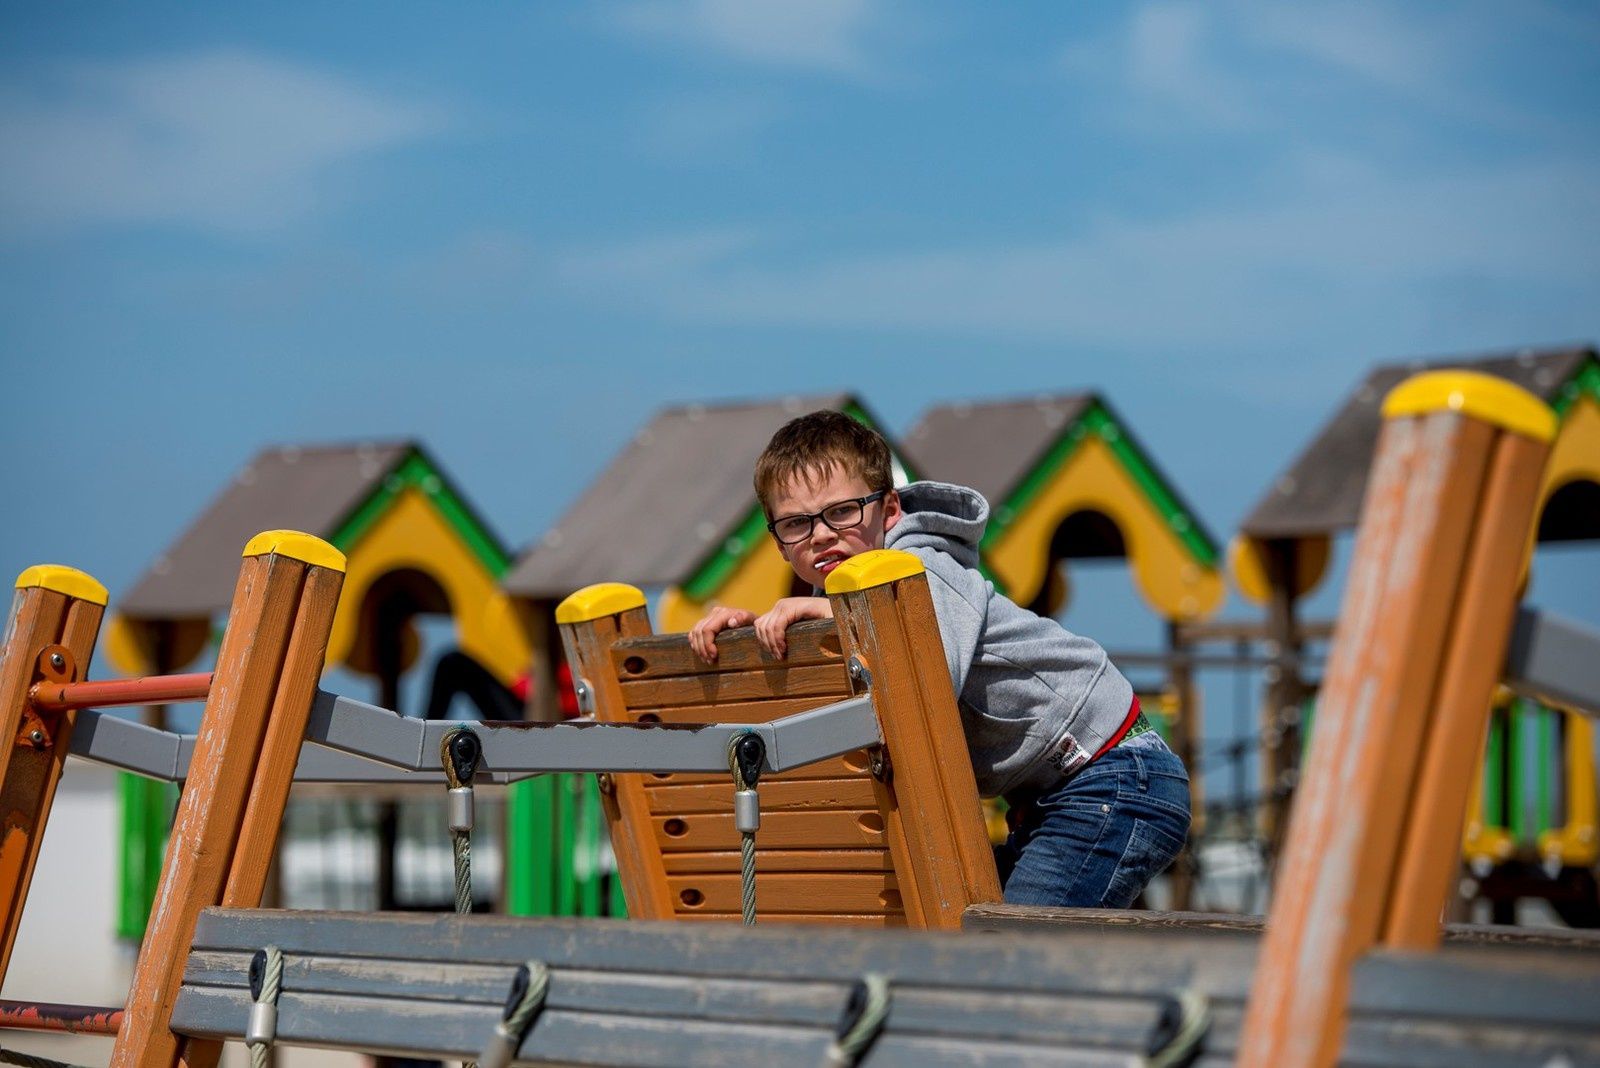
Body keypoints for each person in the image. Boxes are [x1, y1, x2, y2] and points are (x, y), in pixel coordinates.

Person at [687, 411, 1190, 908]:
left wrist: (829, 613)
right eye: (796, 523)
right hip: (1053, 795)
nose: (820, 534)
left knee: (1008, 946)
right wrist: (752, 637)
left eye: (841, 512)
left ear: (889, 510)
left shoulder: (923, 568)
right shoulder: (841, 603)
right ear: (778, 542)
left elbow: (924, 677)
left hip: (1112, 773)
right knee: (970, 933)